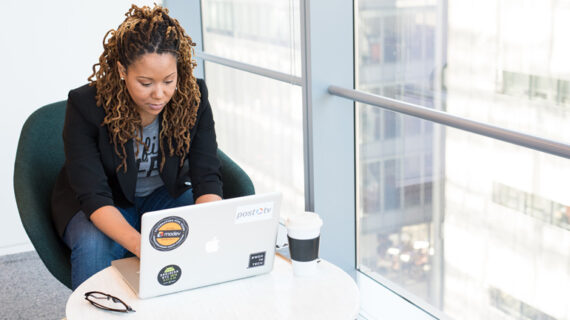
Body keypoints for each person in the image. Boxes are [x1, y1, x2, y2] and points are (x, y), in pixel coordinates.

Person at [51, 4, 223, 290]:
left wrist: (210, 225)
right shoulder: (85, 106)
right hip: (105, 202)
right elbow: (93, 195)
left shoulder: (193, 96)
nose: (160, 94)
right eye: (145, 83)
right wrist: (143, 245)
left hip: (162, 195)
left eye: (169, 80)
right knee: (96, 246)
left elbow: (207, 175)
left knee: (207, 233)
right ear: (122, 70)